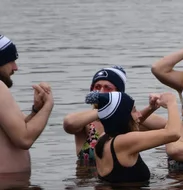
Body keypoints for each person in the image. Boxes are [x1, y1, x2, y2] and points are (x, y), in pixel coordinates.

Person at [63, 66, 168, 164]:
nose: (101, 92)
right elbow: (69, 124)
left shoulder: (131, 118)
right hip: (89, 183)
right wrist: (107, 109)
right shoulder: (85, 124)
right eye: (97, 87)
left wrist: (151, 108)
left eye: (108, 88)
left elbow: (172, 128)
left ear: (119, 93)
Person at [85, 90, 182, 184]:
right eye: (134, 110)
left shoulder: (103, 138)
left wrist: (151, 108)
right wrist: (171, 102)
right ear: (124, 117)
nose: (139, 114)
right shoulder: (122, 142)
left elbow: (130, 125)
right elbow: (173, 133)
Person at [0, 34, 54, 175]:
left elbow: (16, 130)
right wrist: (48, 105)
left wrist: (37, 110)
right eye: (10, 61)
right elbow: (24, 139)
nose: (15, 67)